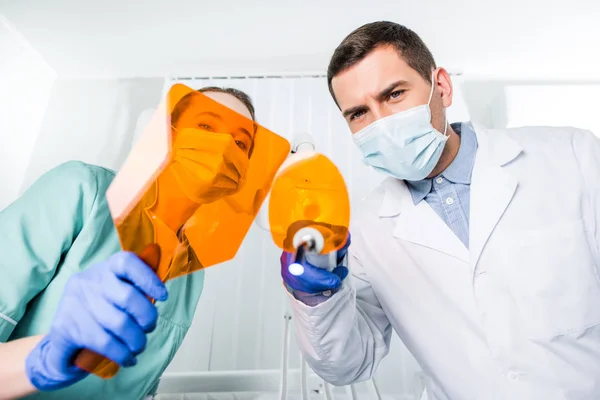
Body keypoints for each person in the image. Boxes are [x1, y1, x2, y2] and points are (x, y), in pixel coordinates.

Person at [280, 21, 600, 400]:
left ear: (442, 87)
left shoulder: (572, 156)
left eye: (394, 94)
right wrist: (315, 296)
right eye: (359, 114)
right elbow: (349, 363)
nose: (381, 123)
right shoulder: (365, 229)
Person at [0, 86, 257, 400]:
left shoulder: (193, 272)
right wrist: (42, 357)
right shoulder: (82, 190)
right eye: (205, 126)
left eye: (241, 142)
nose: (223, 146)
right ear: (168, 133)